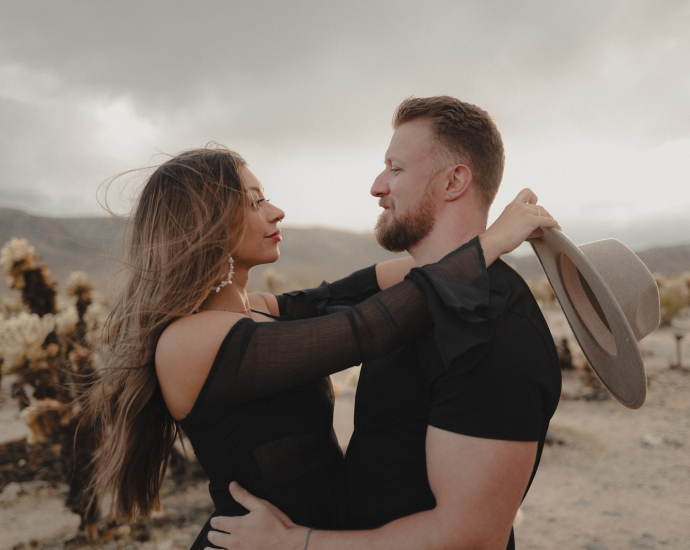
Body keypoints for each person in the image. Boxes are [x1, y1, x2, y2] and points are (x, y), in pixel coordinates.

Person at [83, 142, 556, 547]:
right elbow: (367, 328)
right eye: (254, 201)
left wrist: (472, 242)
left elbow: (367, 286)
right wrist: (494, 240)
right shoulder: (188, 341)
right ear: (205, 223)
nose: (276, 211)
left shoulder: (262, 312)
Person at [207, 97, 562, 550]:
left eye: (395, 169)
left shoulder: (493, 329)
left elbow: (469, 536)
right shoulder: (406, 295)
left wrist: (297, 542)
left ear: (454, 181)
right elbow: (321, 302)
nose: (377, 186)